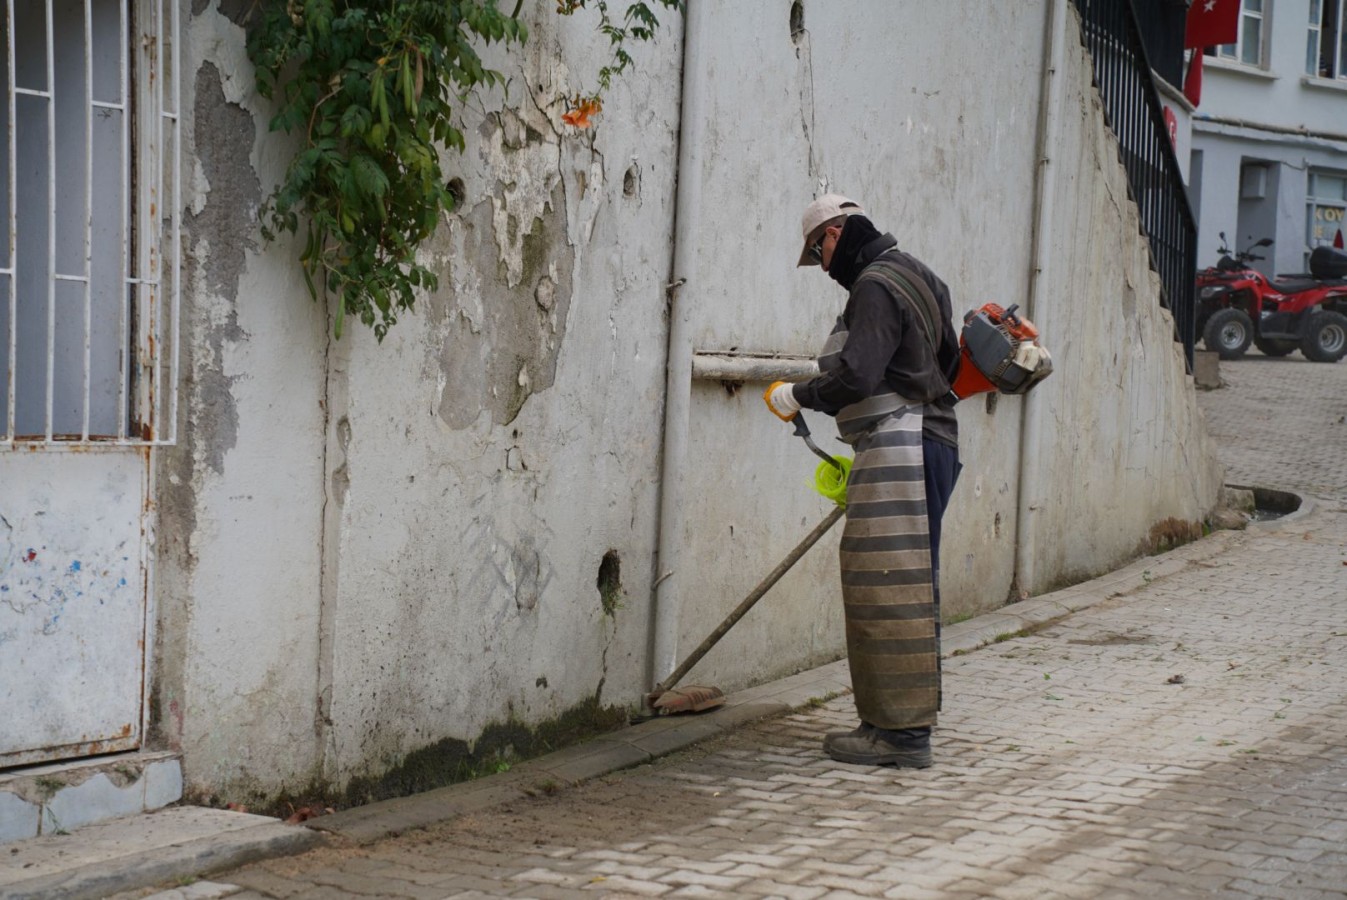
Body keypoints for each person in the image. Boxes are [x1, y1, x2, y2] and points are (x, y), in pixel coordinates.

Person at [763, 194, 962, 768]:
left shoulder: (874, 284)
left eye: (817, 253)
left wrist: (796, 394)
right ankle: (888, 724)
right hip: (932, 443)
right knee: (906, 585)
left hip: (903, 447)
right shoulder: (921, 276)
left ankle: (901, 736)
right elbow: (948, 364)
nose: (823, 267)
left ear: (834, 234)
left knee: (889, 588)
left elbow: (857, 375)